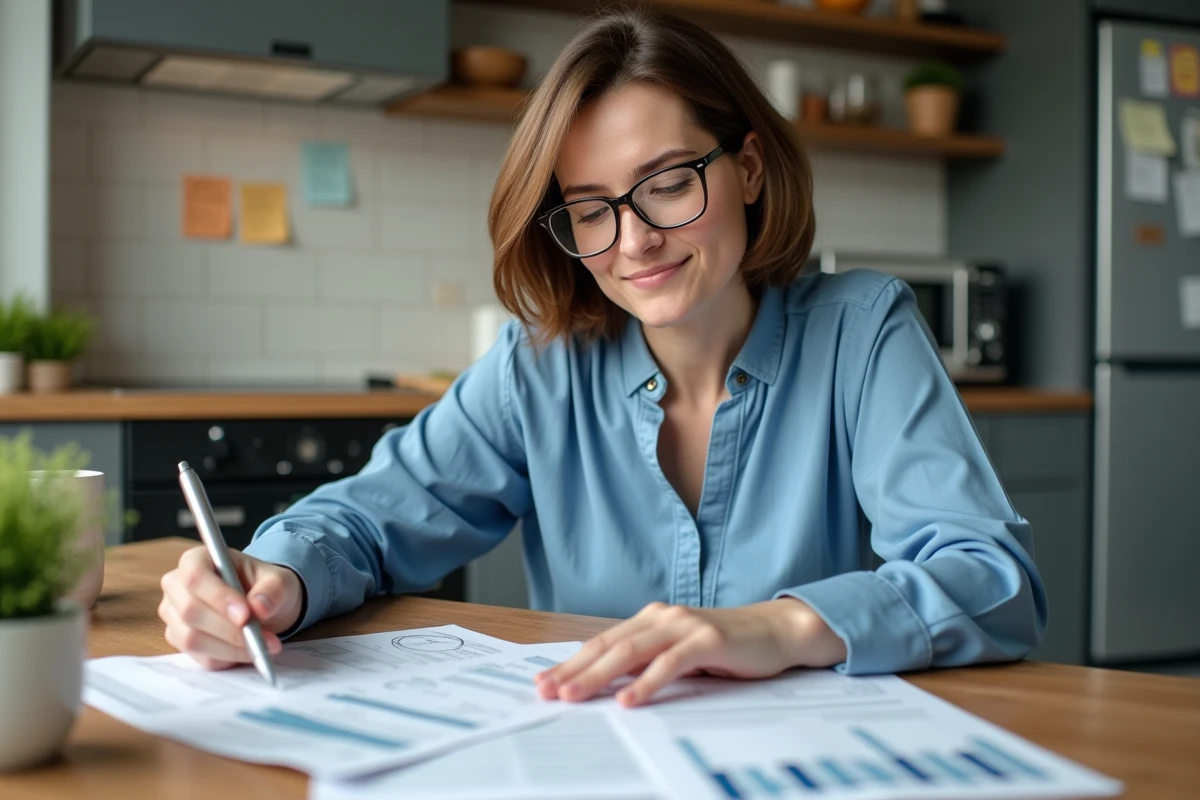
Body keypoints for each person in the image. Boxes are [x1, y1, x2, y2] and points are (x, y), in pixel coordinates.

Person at [158, 10, 1046, 708]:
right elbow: (367, 524)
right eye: (591, 208)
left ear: (748, 167)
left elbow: (993, 582)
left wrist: (781, 628)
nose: (635, 241)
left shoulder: (863, 332)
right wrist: (273, 580)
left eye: (666, 184)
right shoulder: (540, 366)